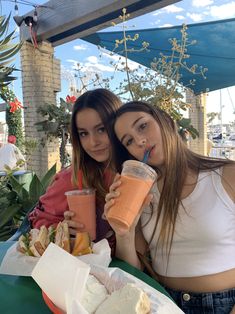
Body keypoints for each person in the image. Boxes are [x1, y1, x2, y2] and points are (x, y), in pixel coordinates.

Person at [104, 101, 235, 314]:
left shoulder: (227, 175)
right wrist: (124, 233)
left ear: (166, 120)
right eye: (128, 141)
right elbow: (133, 273)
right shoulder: (141, 194)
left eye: (143, 126)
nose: (139, 140)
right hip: (162, 302)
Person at [29, 89, 122, 251]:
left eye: (101, 129)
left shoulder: (134, 175)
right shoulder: (71, 178)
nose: (93, 142)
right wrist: (62, 229)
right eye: (84, 133)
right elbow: (39, 223)